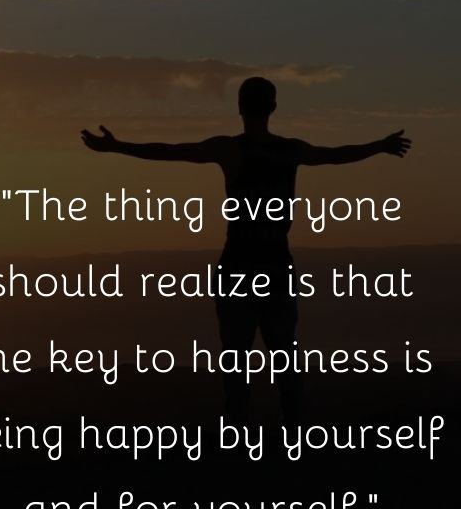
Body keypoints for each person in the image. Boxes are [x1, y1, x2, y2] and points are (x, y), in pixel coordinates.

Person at [81, 76, 411, 423]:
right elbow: (335, 156)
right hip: (274, 265)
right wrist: (379, 146)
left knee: (237, 363)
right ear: (273, 107)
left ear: (239, 108)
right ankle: (293, 441)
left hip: (238, 265)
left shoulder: (229, 149)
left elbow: (170, 151)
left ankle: (238, 440)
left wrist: (118, 147)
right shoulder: (289, 151)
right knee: (284, 360)